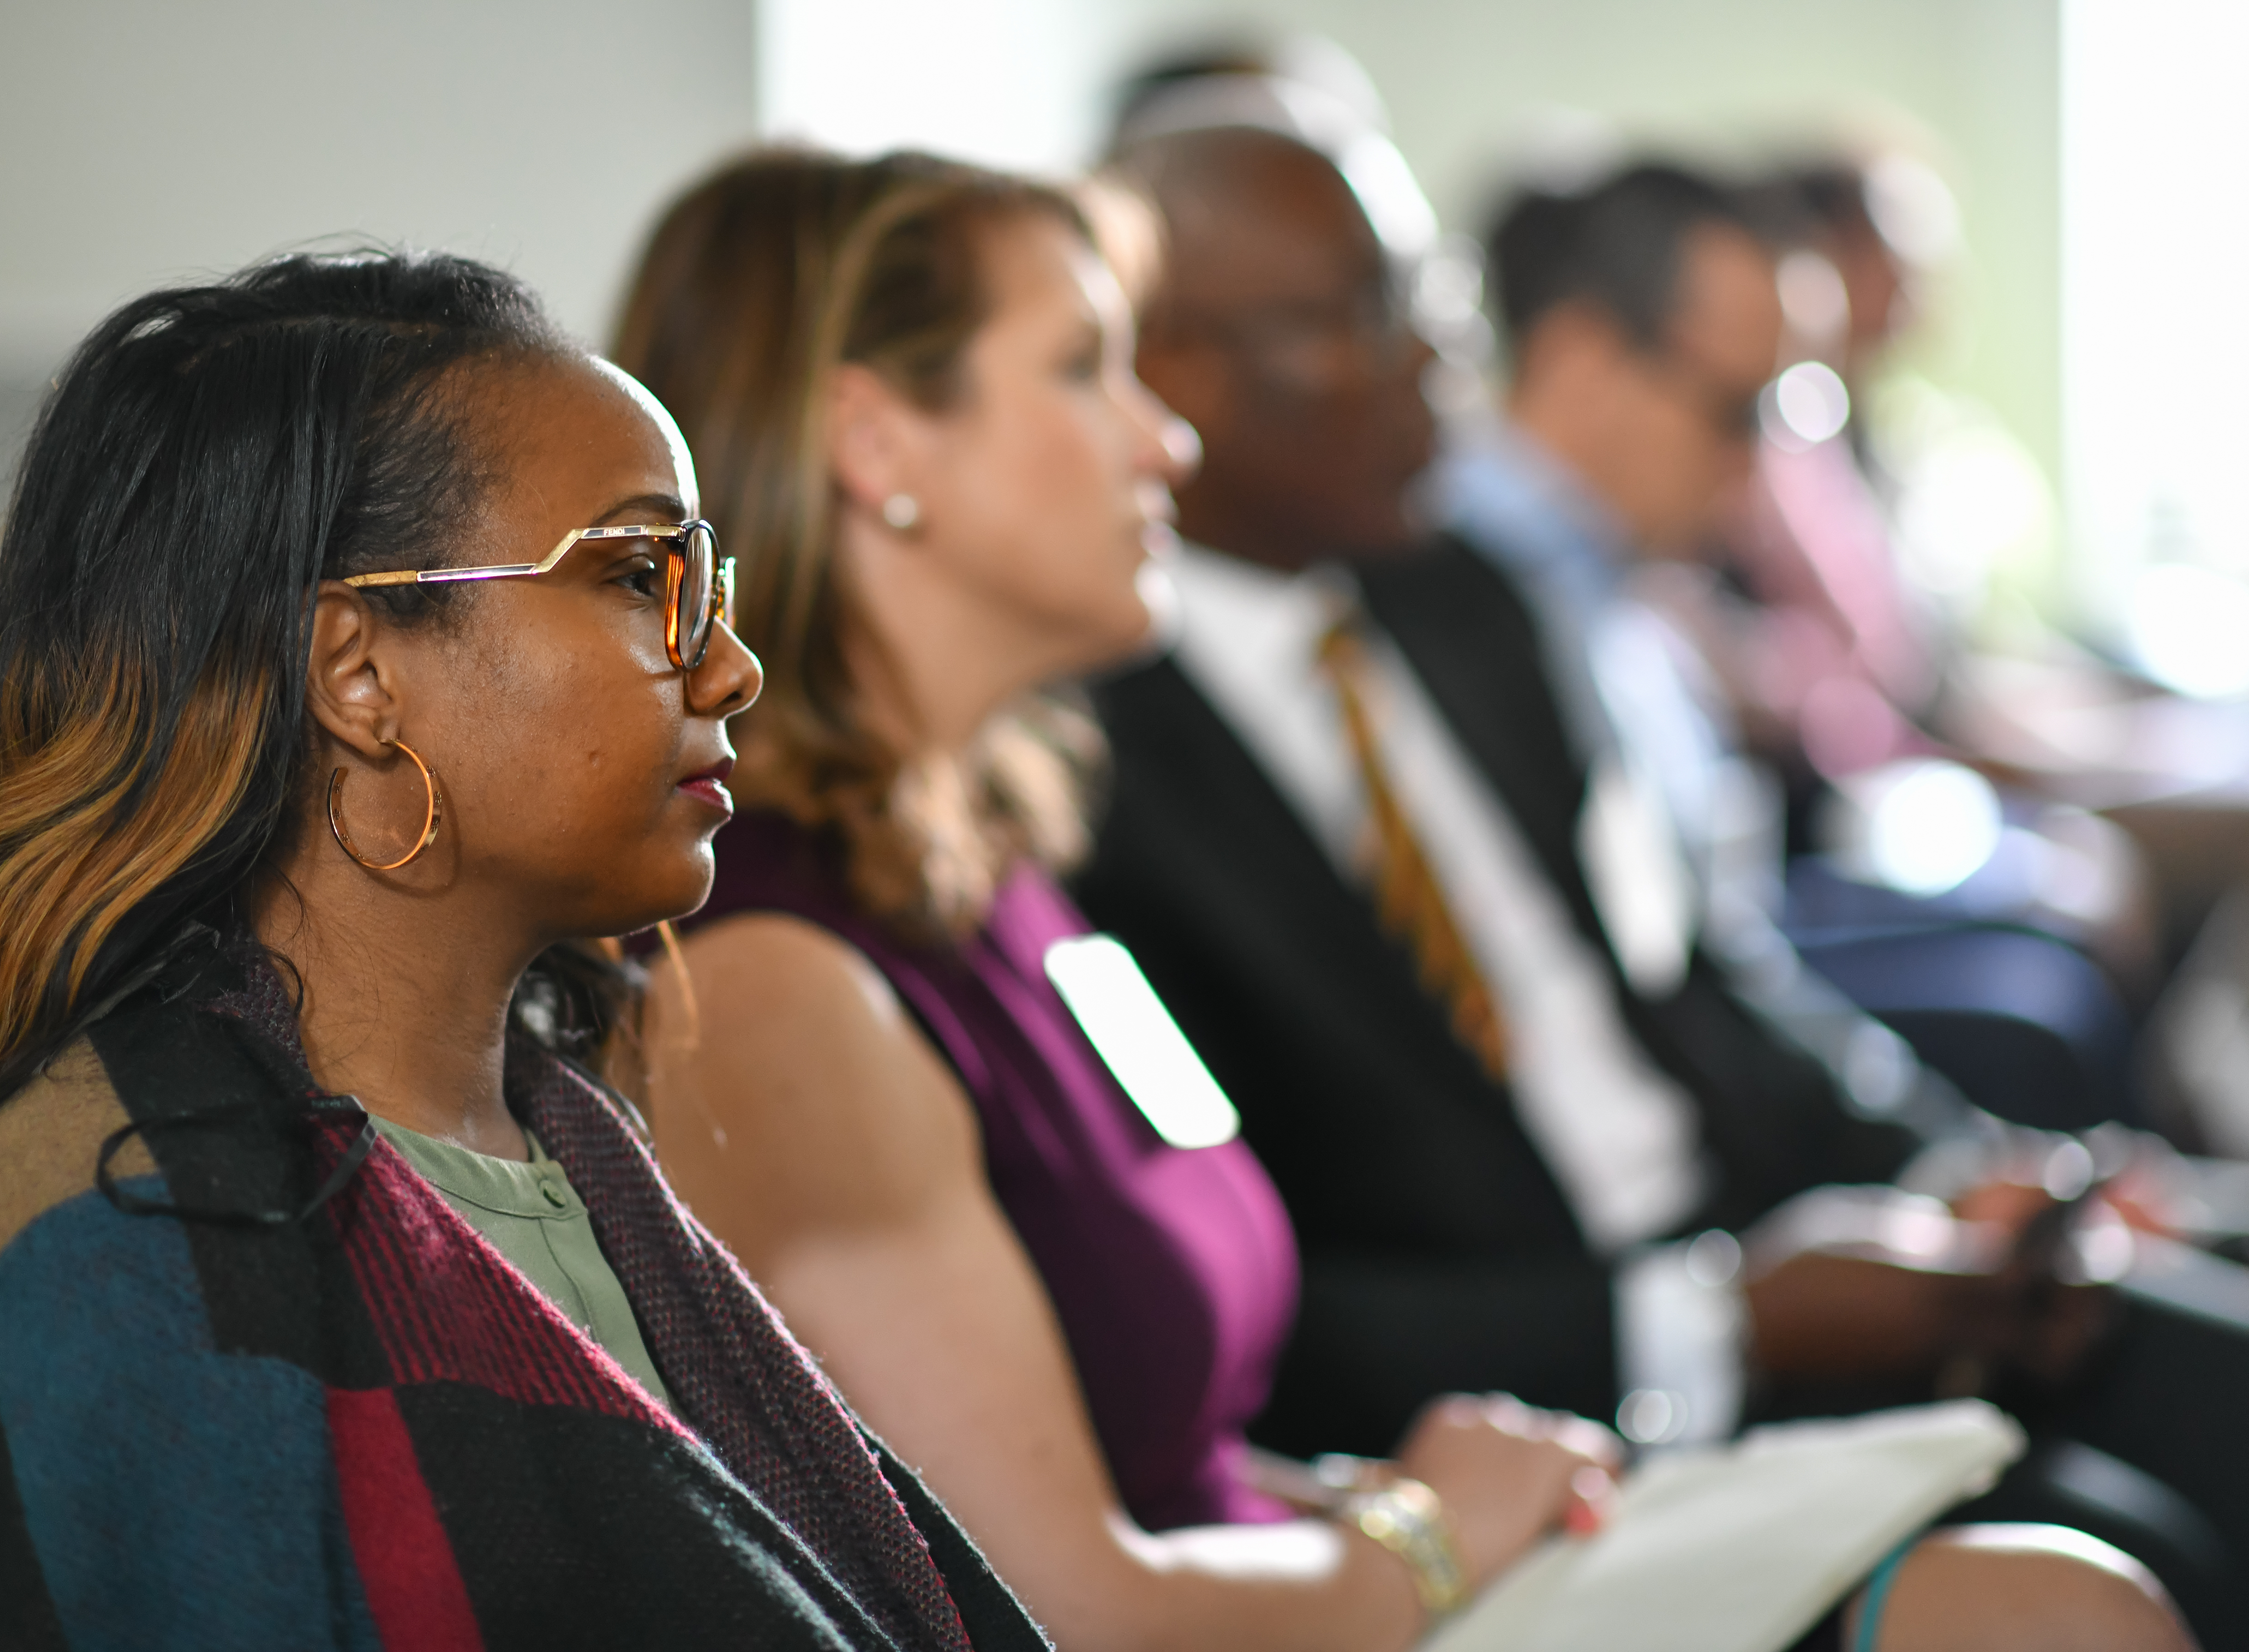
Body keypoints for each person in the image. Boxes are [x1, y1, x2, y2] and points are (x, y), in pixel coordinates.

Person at [610, 147, 2192, 1652]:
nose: (1166, 438)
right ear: (879, 444)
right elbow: (1071, 1610)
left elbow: (1179, 1437)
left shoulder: (995, 864)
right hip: (1288, 1603)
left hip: (1336, 1538)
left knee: (2095, 1544)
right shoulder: (783, 972)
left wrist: (1396, 1501)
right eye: (1088, 369)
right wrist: (1423, 1535)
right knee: (2063, 1607)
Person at [1075, 77, 2249, 1634]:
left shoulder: (1464, 599)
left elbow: (1692, 986)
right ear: (1168, 371)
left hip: (1750, 1272)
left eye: (1427, 293)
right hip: (1528, 1413)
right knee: (2122, 1547)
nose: (1440, 351)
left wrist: (1958, 1178)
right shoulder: (1091, 766)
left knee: (2214, 1372)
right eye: (1359, 311)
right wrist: (1717, 1323)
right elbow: (1256, 1299)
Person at [0, 249, 1045, 1651]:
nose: (729, 665)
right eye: (639, 575)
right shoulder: (131, 1225)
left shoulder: (579, 1157)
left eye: (705, 578)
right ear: (359, 674)